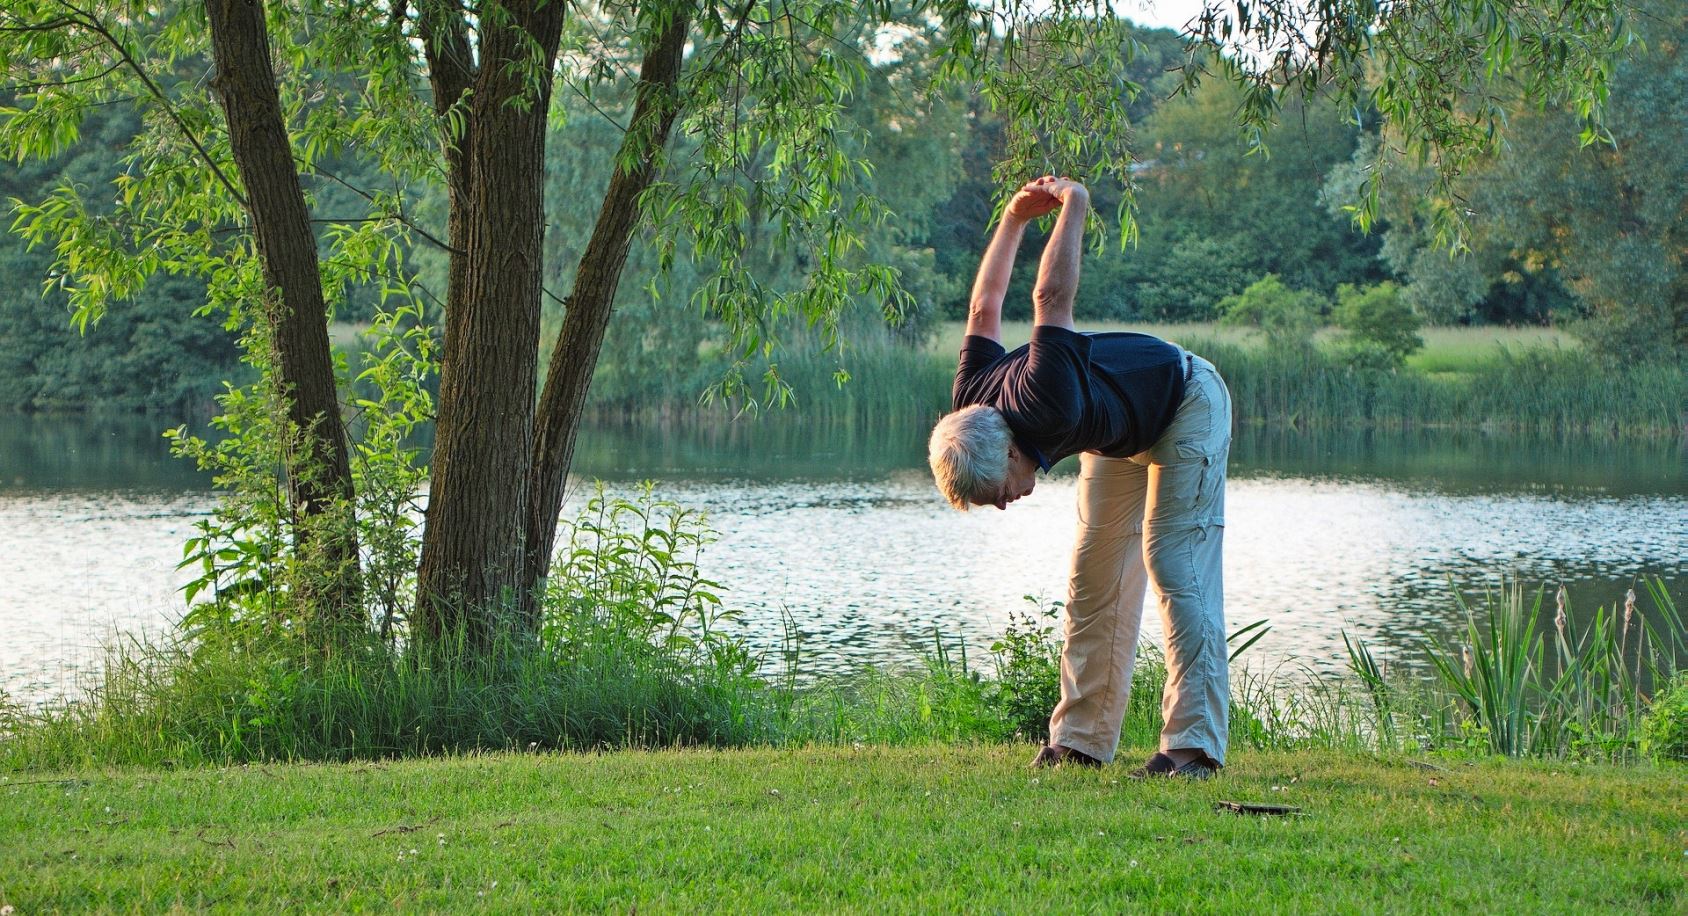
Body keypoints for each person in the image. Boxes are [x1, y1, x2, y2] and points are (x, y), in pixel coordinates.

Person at [927, 175, 1233, 779]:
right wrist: (1012, 219)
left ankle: (1193, 748)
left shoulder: (1046, 402)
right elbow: (983, 308)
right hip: (1118, 431)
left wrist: (1075, 206)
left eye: (998, 495)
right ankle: (1080, 741)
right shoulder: (971, 401)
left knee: (1173, 562)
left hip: (1186, 402)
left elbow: (1050, 299)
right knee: (1093, 577)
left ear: (1011, 453)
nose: (1008, 505)